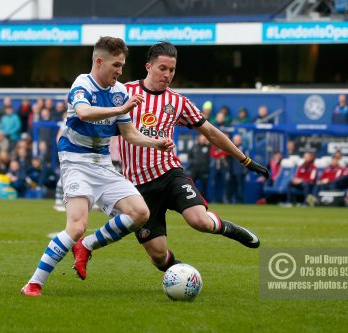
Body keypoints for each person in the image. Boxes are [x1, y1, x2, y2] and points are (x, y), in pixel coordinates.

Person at [71, 41, 268, 281]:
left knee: (200, 221)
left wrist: (244, 159)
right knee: (159, 257)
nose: (167, 75)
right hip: (138, 188)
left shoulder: (179, 102)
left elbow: (211, 132)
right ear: (148, 67)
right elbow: (89, 113)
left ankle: (230, 229)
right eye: (162, 68)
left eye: (172, 70)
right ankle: (185, 277)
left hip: (170, 174)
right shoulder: (123, 93)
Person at [21, 36, 174, 297]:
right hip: (76, 161)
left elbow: (129, 134)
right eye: (116, 65)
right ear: (99, 61)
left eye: (123, 65)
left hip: (102, 163)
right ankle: (34, 283)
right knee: (77, 225)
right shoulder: (83, 84)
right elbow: (83, 112)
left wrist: (154, 143)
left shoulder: (120, 93)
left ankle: (86, 246)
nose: (120, 71)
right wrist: (121, 109)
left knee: (140, 213)